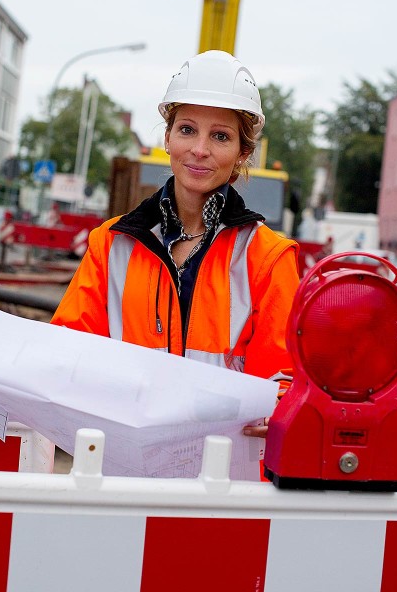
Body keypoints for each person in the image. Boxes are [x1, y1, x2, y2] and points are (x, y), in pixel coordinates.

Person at [51, 50, 300, 441]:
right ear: (167, 137)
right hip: (122, 466)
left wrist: (279, 411)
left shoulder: (267, 258)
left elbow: (283, 381)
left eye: (220, 136)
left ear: (242, 153)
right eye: (187, 129)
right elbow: (68, 354)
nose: (199, 149)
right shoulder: (111, 246)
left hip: (221, 478)